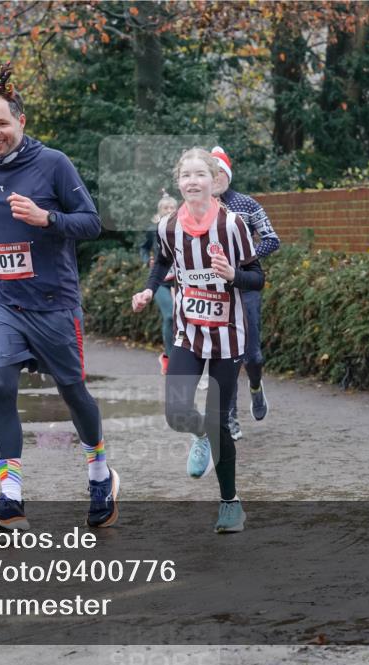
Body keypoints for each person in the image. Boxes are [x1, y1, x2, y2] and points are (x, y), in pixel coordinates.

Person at [0, 62, 119, 530]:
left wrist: (46, 218)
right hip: (2, 300)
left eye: (2, 123)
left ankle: (98, 473)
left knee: (72, 391)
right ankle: (10, 498)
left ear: (21, 121)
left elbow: (91, 222)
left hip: (54, 302)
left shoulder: (54, 163)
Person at [131, 147, 264, 533]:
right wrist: (147, 289)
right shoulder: (168, 226)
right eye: (186, 175)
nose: (193, 181)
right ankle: (200, 433)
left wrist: (232, 275)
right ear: (179, 182)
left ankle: (230, 504)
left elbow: (258, 277)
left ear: (214, 181)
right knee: (176, 412)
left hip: (227, 336)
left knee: (220, 421)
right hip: (188, 333)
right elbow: (162, 261)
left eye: (200, 175)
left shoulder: (234, 225)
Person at [210, 147, 280, 441]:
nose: (214, 179)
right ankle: (230, 418)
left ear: (227, 176)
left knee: (251, 354)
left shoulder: (246, 204)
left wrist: (243, 260)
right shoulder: (197, 209)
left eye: (219, 173)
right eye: (209, 173)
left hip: (246, 284)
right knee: (228, 356)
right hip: (214, 292)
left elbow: (272, 239)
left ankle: (255, 385)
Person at [139, 190, 178, 375]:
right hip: (161, 281)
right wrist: (148, 260)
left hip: (180, 281)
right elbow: (143, 249)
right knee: (170, 315)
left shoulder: (183, 226)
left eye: (172, 207)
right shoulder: (152, 230)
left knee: (184, 319)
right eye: (165, 207)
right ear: (159, 210)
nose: (169, 209)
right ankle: (169, 359)